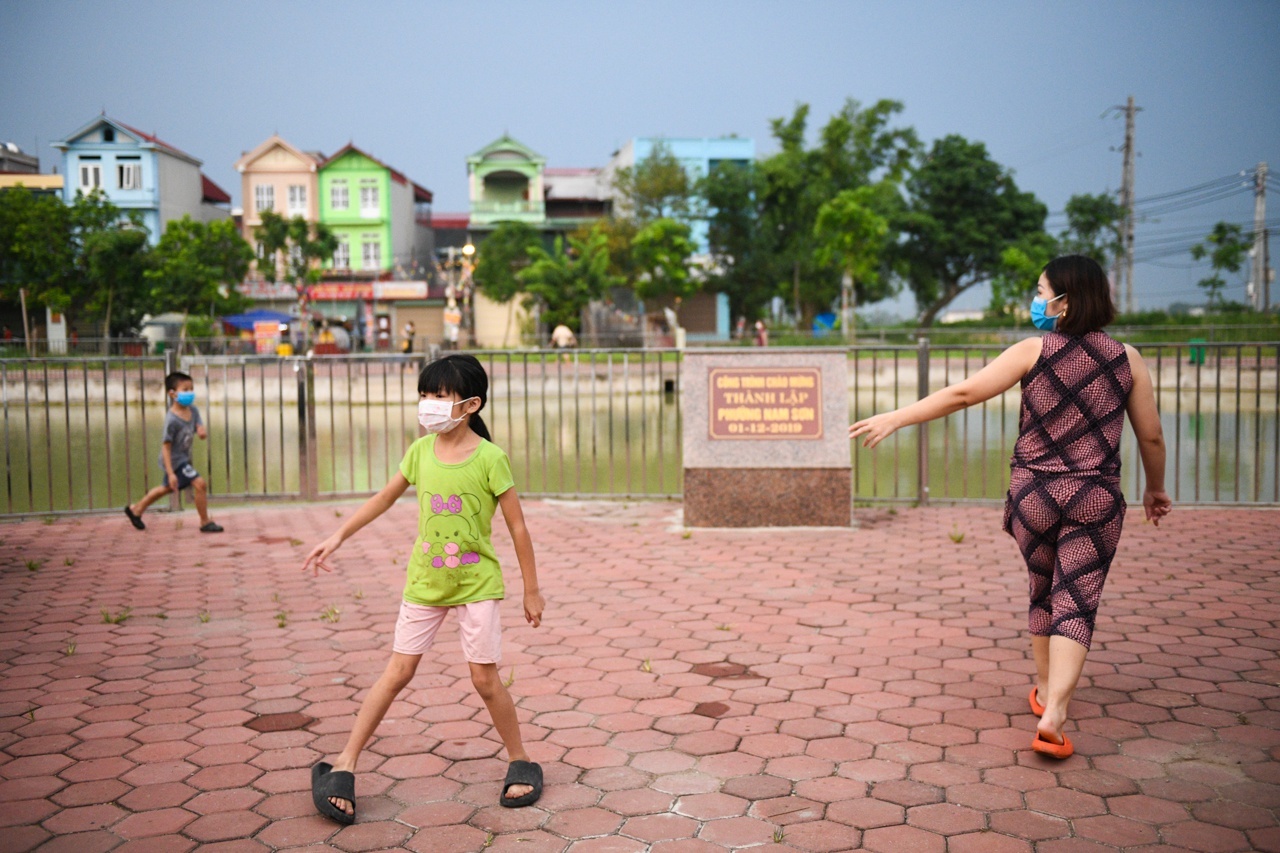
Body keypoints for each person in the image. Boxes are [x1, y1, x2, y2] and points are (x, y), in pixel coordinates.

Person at [849, 255, 1171, 760]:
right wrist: (1156, 489)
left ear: (1064, 301)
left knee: (1043, 590)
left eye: (1041, 291)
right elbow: (1150, 434)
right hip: (1095, 497)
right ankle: (1055, 710)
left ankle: (1044, 689)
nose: (1036, 299)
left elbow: (963, 393)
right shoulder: (1126, 358)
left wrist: (897, 417)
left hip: (1035, 496)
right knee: (1077, 599)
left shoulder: (1033, 350)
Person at [303, 354, 545, 824]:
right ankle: (343, 765)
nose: (428, 404)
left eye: (440, 396)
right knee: (397, 672)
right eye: (425, 395)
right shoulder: (419, 452)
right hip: (424, 583)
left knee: (484, 679)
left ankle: (521, 760)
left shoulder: (491, 458)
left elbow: (517, 528)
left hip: (477, 584)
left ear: (470, 404)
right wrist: (337, 536)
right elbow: (383, 498)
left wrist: (530, 590)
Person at [124, 372, 224, 533]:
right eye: (185, 389)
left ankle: (136, 510)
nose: (190, 392)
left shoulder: (193, 410)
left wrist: (201, 431)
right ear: (172, 394)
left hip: (182, 458)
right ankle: (205, 522)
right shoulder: (171, 420)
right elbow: (166, 447)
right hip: (174, 461)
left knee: (166, 488)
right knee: (200, 484)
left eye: (191, 389)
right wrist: (171, 472)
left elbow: (199, 427)